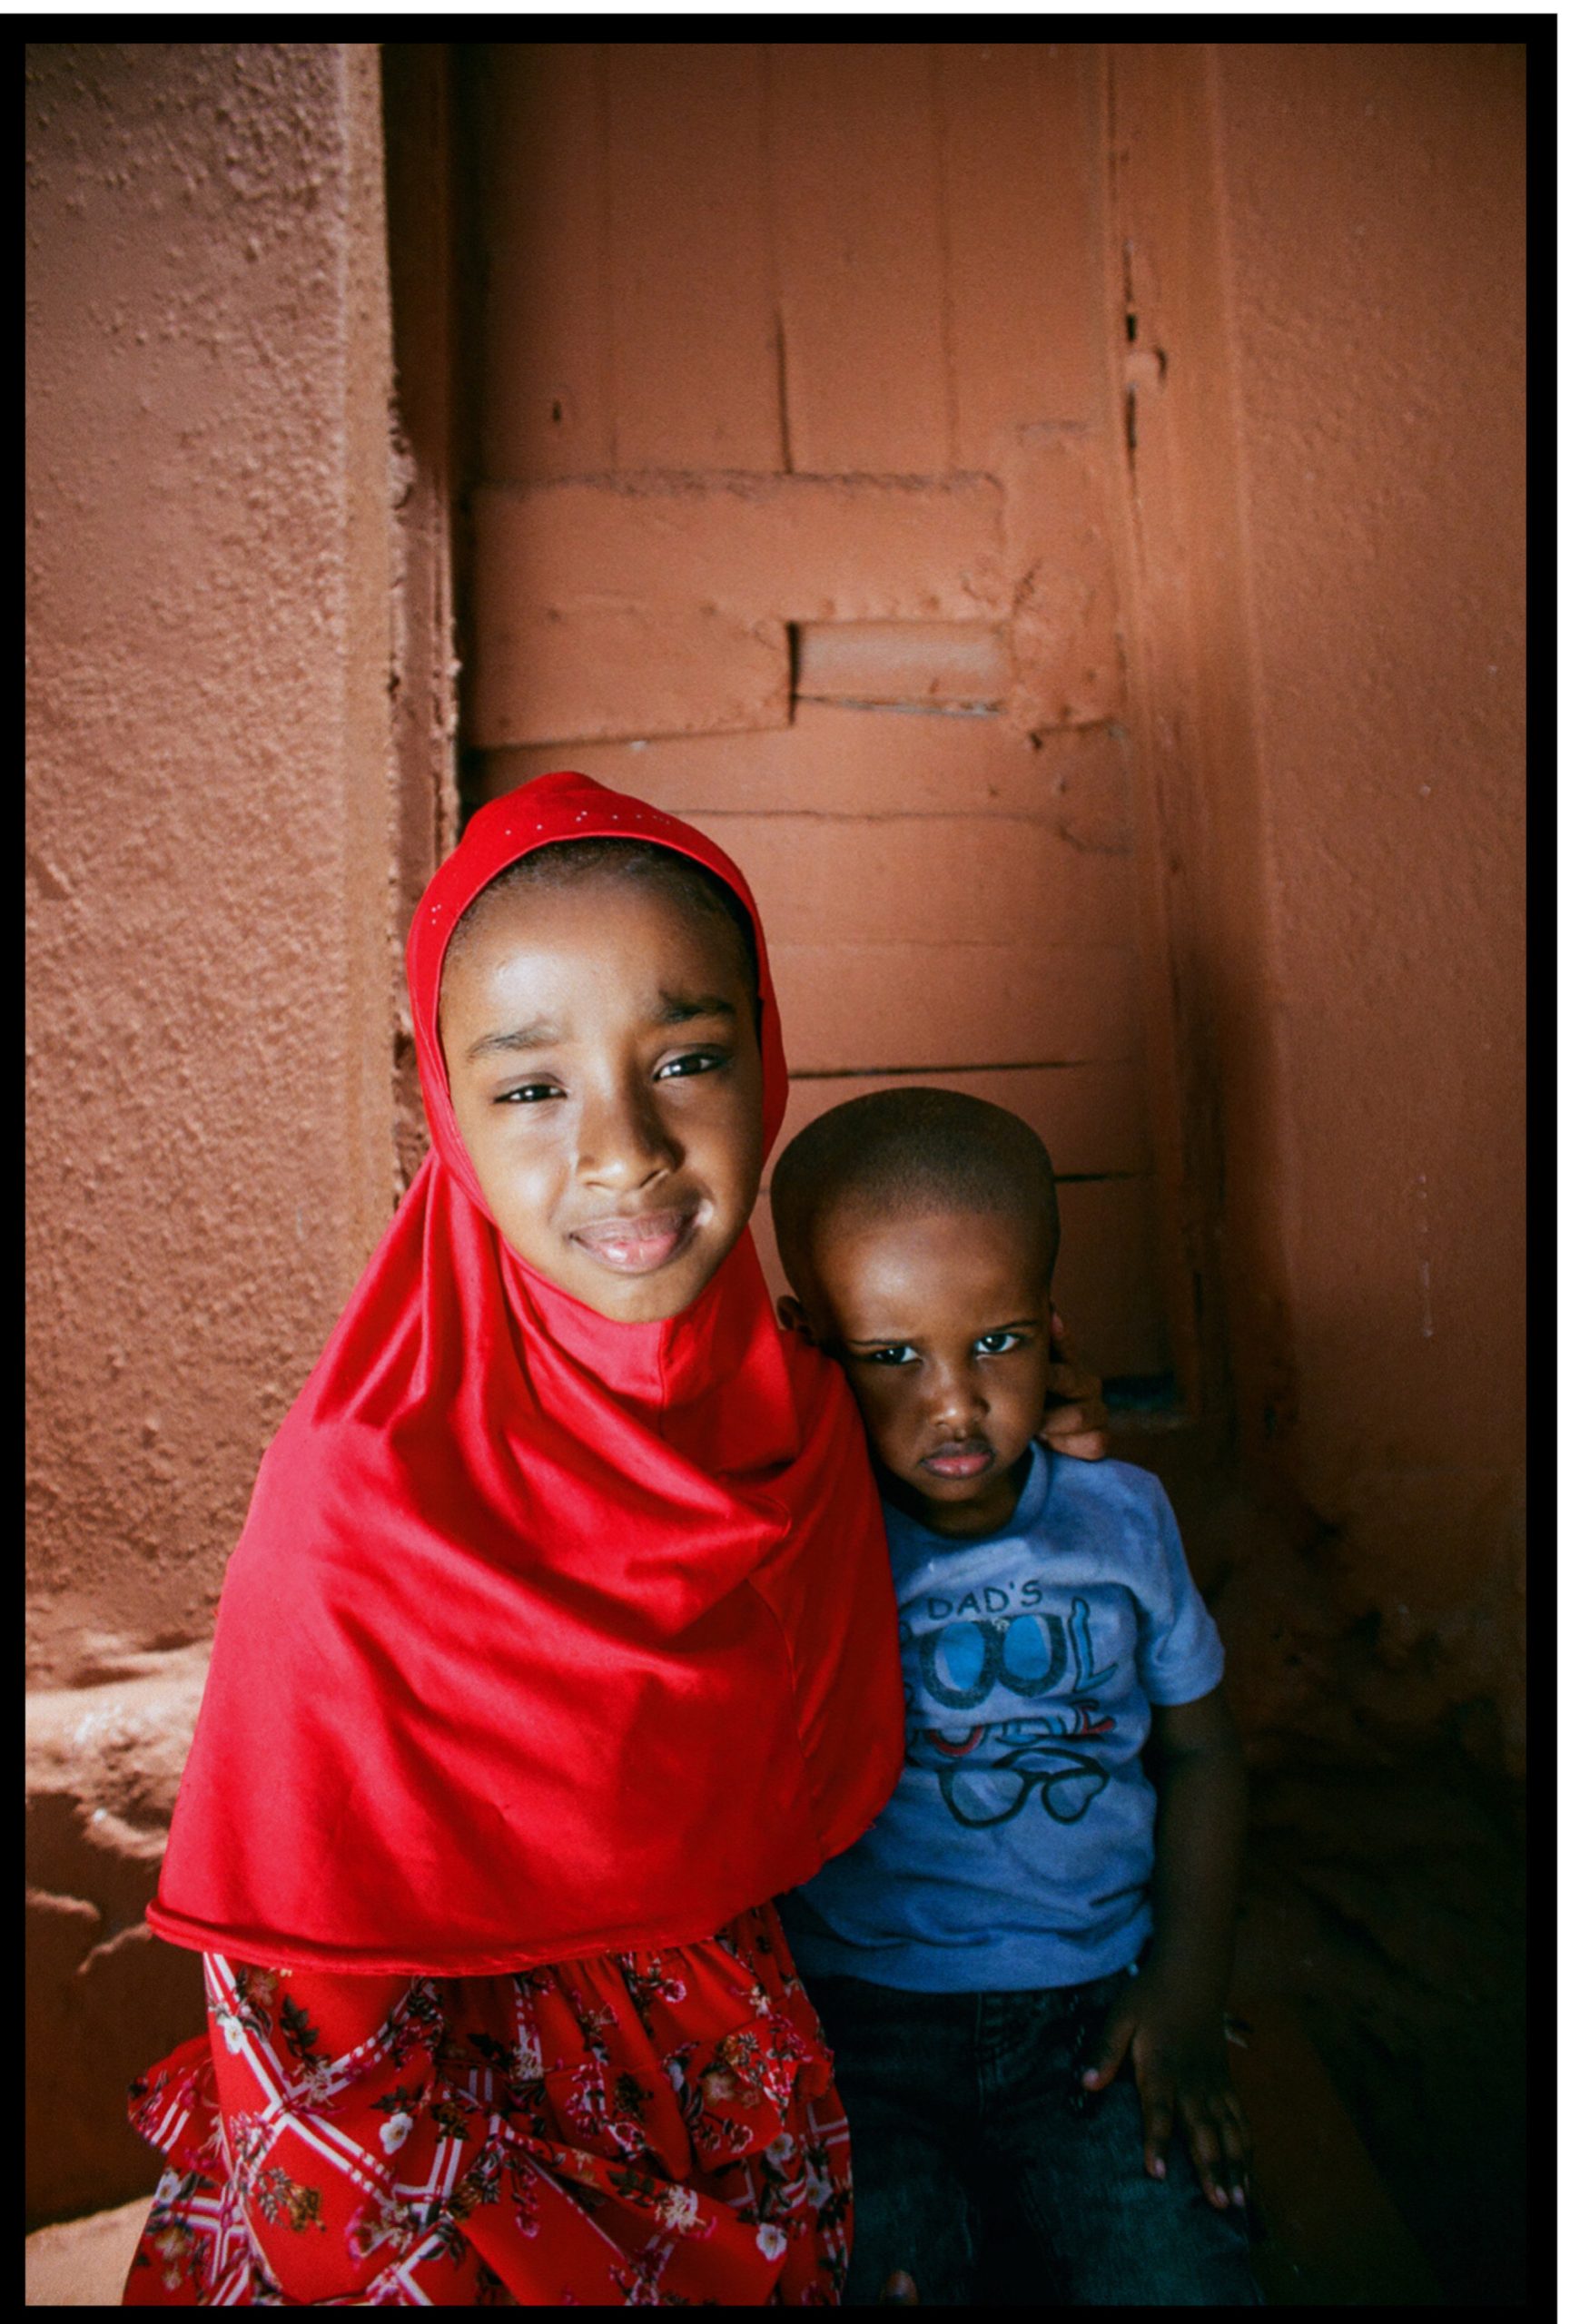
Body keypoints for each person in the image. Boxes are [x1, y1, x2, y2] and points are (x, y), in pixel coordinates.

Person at [121, 774, 1108, 2307]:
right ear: (443, 1108)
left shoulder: (791, 1403)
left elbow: (946, 1462)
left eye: (690, 1060)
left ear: (766, 1065)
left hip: (756, 2108)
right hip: (462, 2180)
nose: (625, 1149)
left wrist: (1033, 1446)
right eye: (531, 1089)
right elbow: (306, 2046)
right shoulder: (363, 1492)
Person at [770, 1087, 1259, 2308]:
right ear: (809, 1345)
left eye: (994, 1341)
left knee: (1179, 2276)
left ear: (1052, 1328)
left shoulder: (1122, 1521)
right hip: (860, 2033)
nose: (952, 1401)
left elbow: (1201, 1755)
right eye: (890, 1356)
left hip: (1092, 2017)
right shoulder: (805, 1539)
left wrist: (1185, 1998)